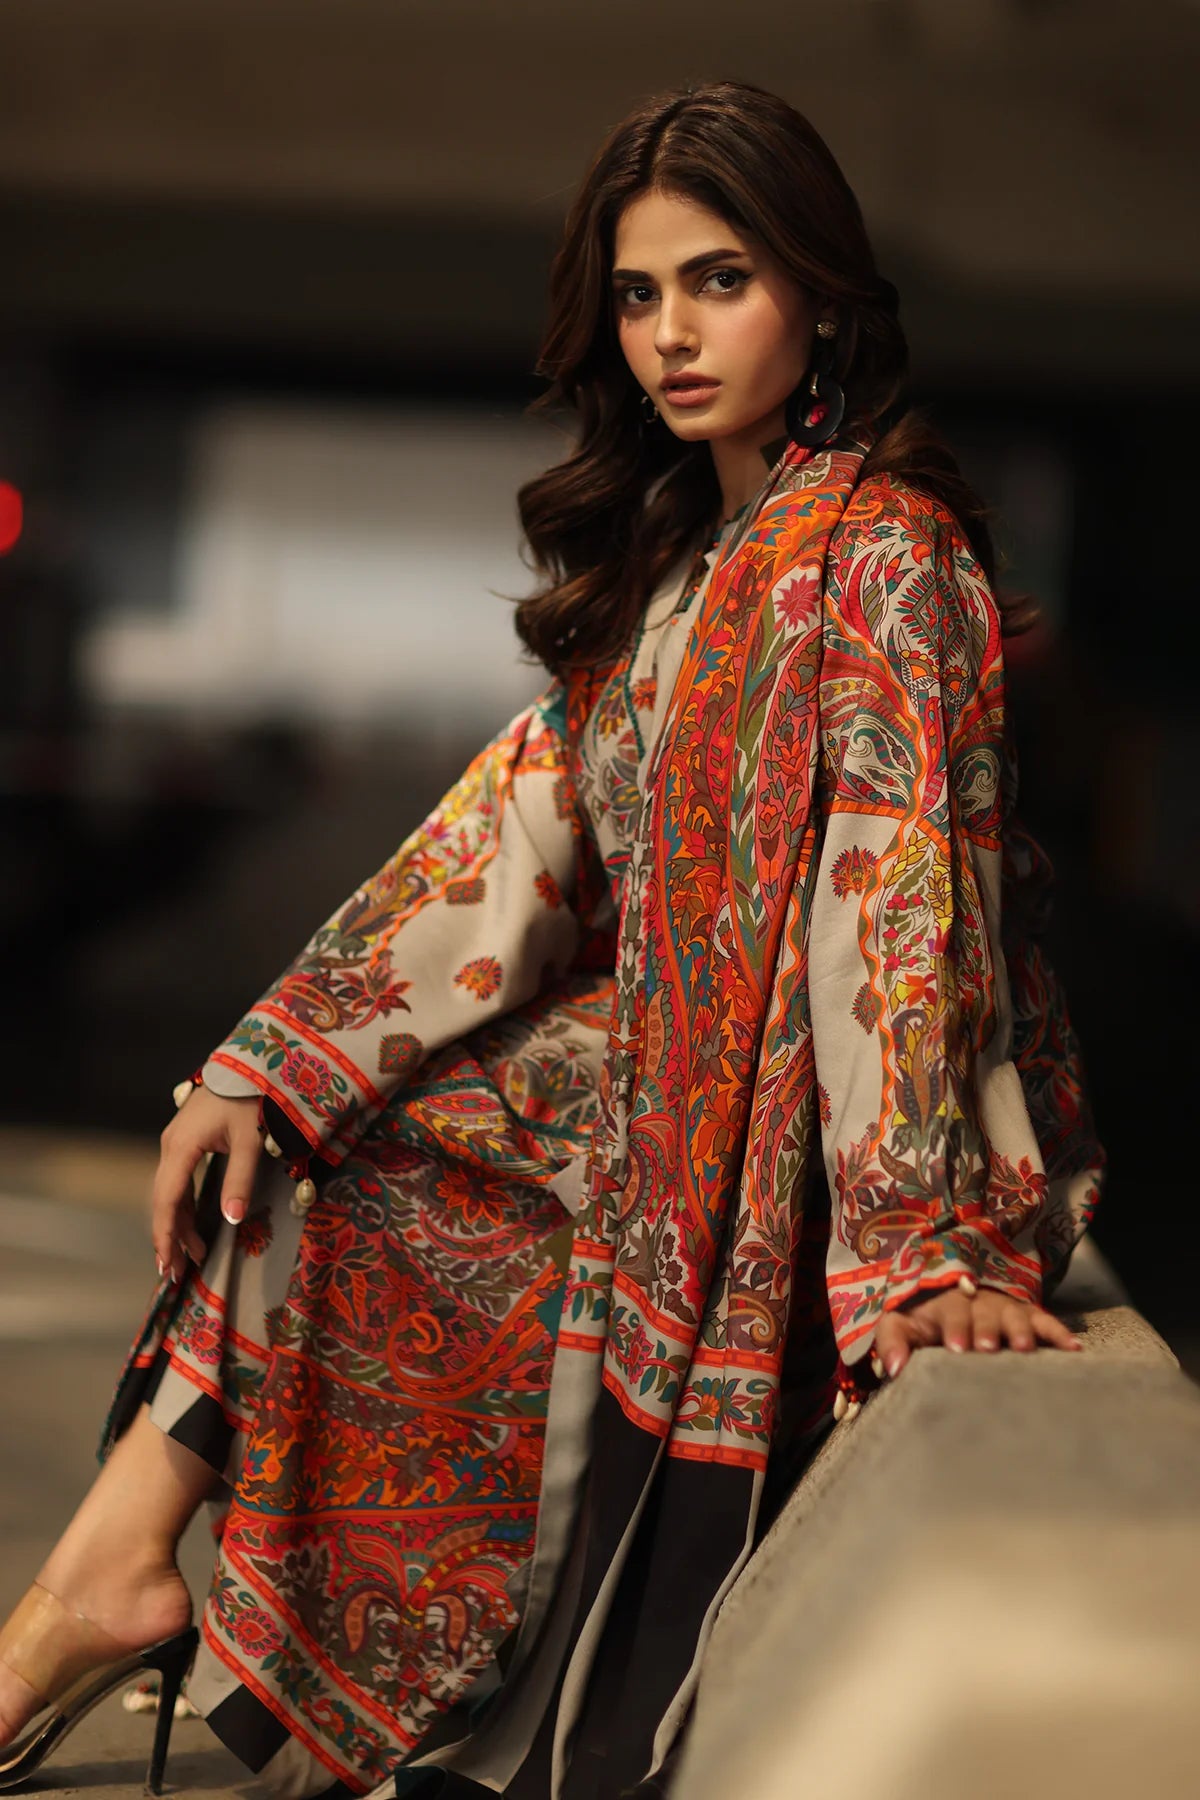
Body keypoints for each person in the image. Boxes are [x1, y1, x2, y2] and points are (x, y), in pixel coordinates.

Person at [0, 78, 1104, 1800]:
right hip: (674, 1106)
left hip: (824, 1142)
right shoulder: (687, 564)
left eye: (720, 281)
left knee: (377, 1158)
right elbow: (515, 831)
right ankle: (106, 1575)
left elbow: (898, 904)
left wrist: (919, 1245)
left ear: (821, 294)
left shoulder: (887, 555)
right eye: (641, 294)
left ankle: (91, 1595)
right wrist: (263, 1060)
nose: (672, 335)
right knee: (308, 1128)